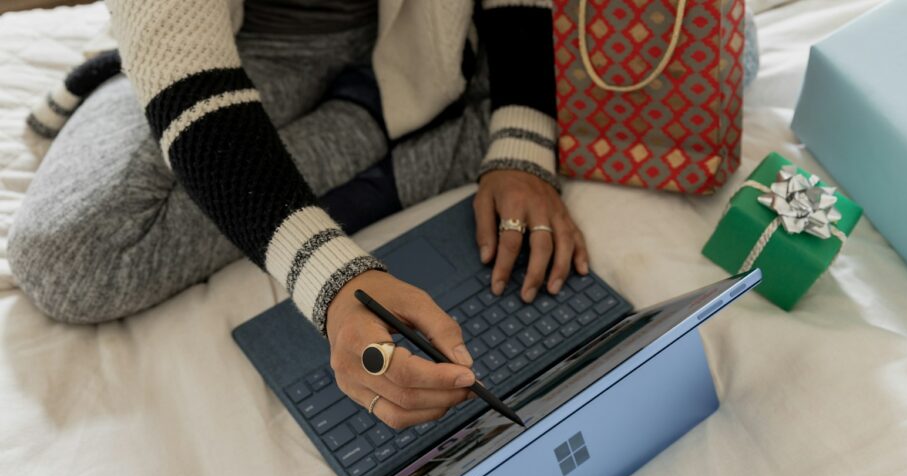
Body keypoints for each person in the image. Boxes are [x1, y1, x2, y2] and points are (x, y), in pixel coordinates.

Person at [10, 0, 759, 430]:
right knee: (69, 259)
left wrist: (522, 144)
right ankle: (379, 122)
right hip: (246, 45)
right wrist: (336, 284)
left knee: (721, 60)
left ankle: (394, 115)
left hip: (436, 28)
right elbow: (187, 76)